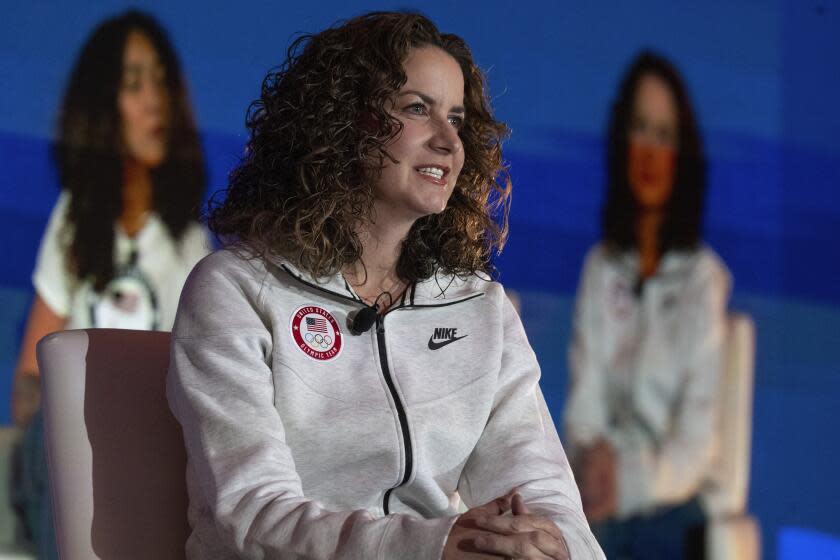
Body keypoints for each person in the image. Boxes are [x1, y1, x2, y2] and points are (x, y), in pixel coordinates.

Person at [167, 11, 603, 560]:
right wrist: (434, 547)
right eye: (417, 109)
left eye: (457, 119)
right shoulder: (236, 289)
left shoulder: (480, 307)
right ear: (341, 122)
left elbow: (543, 492)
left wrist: (554, 545)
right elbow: (254, 516)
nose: (448, 141)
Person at [10, 10, 210, 556]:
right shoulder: (74, 220)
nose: (154, 102)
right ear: (103, 105)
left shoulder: (189, 241)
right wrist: (50, 425)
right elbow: (31, 373)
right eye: (132, 84)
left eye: (161, 82)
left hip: (150, 438)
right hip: (71, 441)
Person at [563, 51, 732, 559]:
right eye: (640, 129)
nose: (650, 153)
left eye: (665, 135)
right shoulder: (601, 266)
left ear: (683, 152)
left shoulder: (705, 279)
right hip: (596, 490)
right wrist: (592, 469)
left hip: (669, 502)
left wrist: (628, 485)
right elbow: (584, 401)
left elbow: (696, 443)